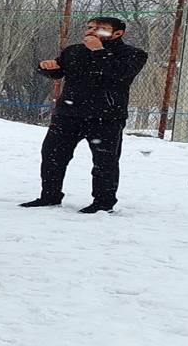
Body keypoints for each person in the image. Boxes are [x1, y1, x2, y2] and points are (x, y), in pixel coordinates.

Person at [21, 16, 148, 213]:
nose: (92, 31)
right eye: (90, 27)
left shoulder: (132, 54)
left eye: (101, 29)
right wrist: (45, 67)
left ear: (118, 34)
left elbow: (119, 74)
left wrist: (98, 51)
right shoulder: (74, 51)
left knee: (105, 162)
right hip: (68, 114)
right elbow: (59, 70)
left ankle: (103, 203)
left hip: (106, 117)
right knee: (52, 155)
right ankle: (50, 196)